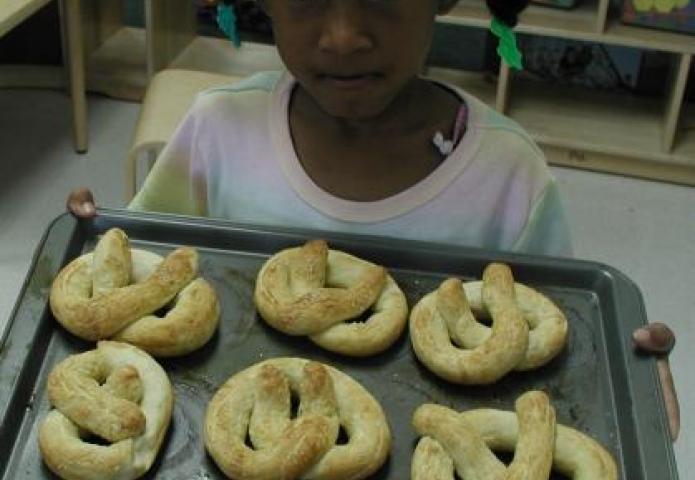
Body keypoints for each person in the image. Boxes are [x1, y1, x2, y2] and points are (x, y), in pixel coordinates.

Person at [67, 0, 679, 439]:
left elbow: (565, 338)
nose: (342, 34)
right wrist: (87, 241)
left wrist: (626, 368)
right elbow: (134, 281)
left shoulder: (509, 177)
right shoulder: (217, 130)